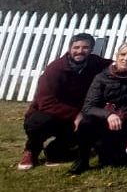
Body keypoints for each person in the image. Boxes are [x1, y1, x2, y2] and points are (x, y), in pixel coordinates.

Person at [18, 33, 112, 171]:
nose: (80, 51)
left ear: (91, 49)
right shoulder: (55, 69)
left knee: (85, 128)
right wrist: (76, 115)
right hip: (50, 113)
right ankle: (31, 150)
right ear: (69, 48)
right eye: (76, 47)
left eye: (85, 47)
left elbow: (116, 65)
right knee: (37, 123)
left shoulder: (95, 62)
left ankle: (54, 152)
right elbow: (46, 102)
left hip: (74, 117)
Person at [71, 41, 127, 174]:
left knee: (118, 162)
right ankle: (82, 160)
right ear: (117, 55)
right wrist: (108, 115)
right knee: (86, 123)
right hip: (102, 121)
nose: (126, 58)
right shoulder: (101, 77)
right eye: (123, 54)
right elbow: (88, 107)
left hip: (126, 122)